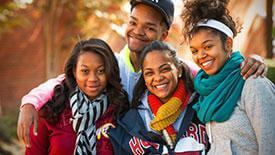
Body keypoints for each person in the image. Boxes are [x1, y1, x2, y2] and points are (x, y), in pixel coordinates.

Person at [17, 0, 267, 148]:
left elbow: (214, 74)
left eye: (149, 27)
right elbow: (66, 80)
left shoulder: (177, 70)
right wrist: (29, 102)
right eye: (133, 22)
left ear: (164, 34)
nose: (137, 32)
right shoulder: (110, 64)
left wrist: (253, 60)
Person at [181, 0, 275, 154]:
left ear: (228, 44)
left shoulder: (252, 83)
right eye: (194, 51)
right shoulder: (204, 89)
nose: (201, 56)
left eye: (208, 46)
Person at [24, 38, 129, 154]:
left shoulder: (120, 110)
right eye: (85, 71)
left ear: (109, 72)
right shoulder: (50, 109)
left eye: (100, 71)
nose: (92, 79)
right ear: (74, 72)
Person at [109, 41, 208, 154]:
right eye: (149, 73)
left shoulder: (202, 106)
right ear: (144, 78)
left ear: (179, 70)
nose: (158, 78)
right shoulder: (132, 119)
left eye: (165, 69)